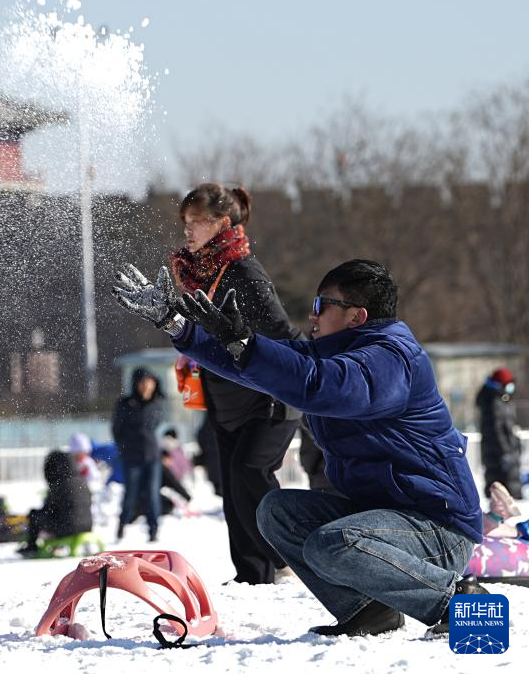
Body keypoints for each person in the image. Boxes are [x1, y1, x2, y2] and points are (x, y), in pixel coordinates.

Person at [112, 257, 485, 637]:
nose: (313, 315)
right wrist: (179, 326)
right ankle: (370, 611)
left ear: (357, 316)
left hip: (436, 528)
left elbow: (323, 385)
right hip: (384, 520)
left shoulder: (391, 360)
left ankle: (458, 602)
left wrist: (248, 345)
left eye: (323, 305)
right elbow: (257, 365)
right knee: (277, 511)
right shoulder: (332, 354)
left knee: (333, 543)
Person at [167, 184, 301, 584]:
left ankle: (285, 558)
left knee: (250, 474)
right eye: (185, 223)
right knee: (233, 487)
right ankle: (251, 572)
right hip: (225, 400)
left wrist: (245, 343)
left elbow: (282, 335)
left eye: (197, 223)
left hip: (267, 399)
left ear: (222, 223)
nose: (188, 232)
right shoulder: (197, 276)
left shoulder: (243, 272)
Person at [111, 368, 164, 542]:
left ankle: (153, 529)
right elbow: (116, 430)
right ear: (136, 383)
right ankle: (122, 524)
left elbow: (153, 426)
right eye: (143, 382)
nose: (147, 386)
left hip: (152, 456)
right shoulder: (125, 404)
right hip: (132, 457)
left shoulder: (156, 404)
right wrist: (124, 449)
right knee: (131, 494)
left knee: (153, 494)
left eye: (150, 382)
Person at [18, 451, 93, 557]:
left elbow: (49, 509)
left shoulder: (60, 483)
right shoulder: (81, 481)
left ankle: (32, 547)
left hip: (68, 527)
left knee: (35, 515)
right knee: (63, 516)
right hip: (86, 526)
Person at [477, 368, 521, 499]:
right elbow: (496, 431)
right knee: (502, 495)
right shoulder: (493, 403)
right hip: (498, 455)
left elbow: (508, 427)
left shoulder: (504, 401)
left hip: (508, 453)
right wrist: (505, 451)